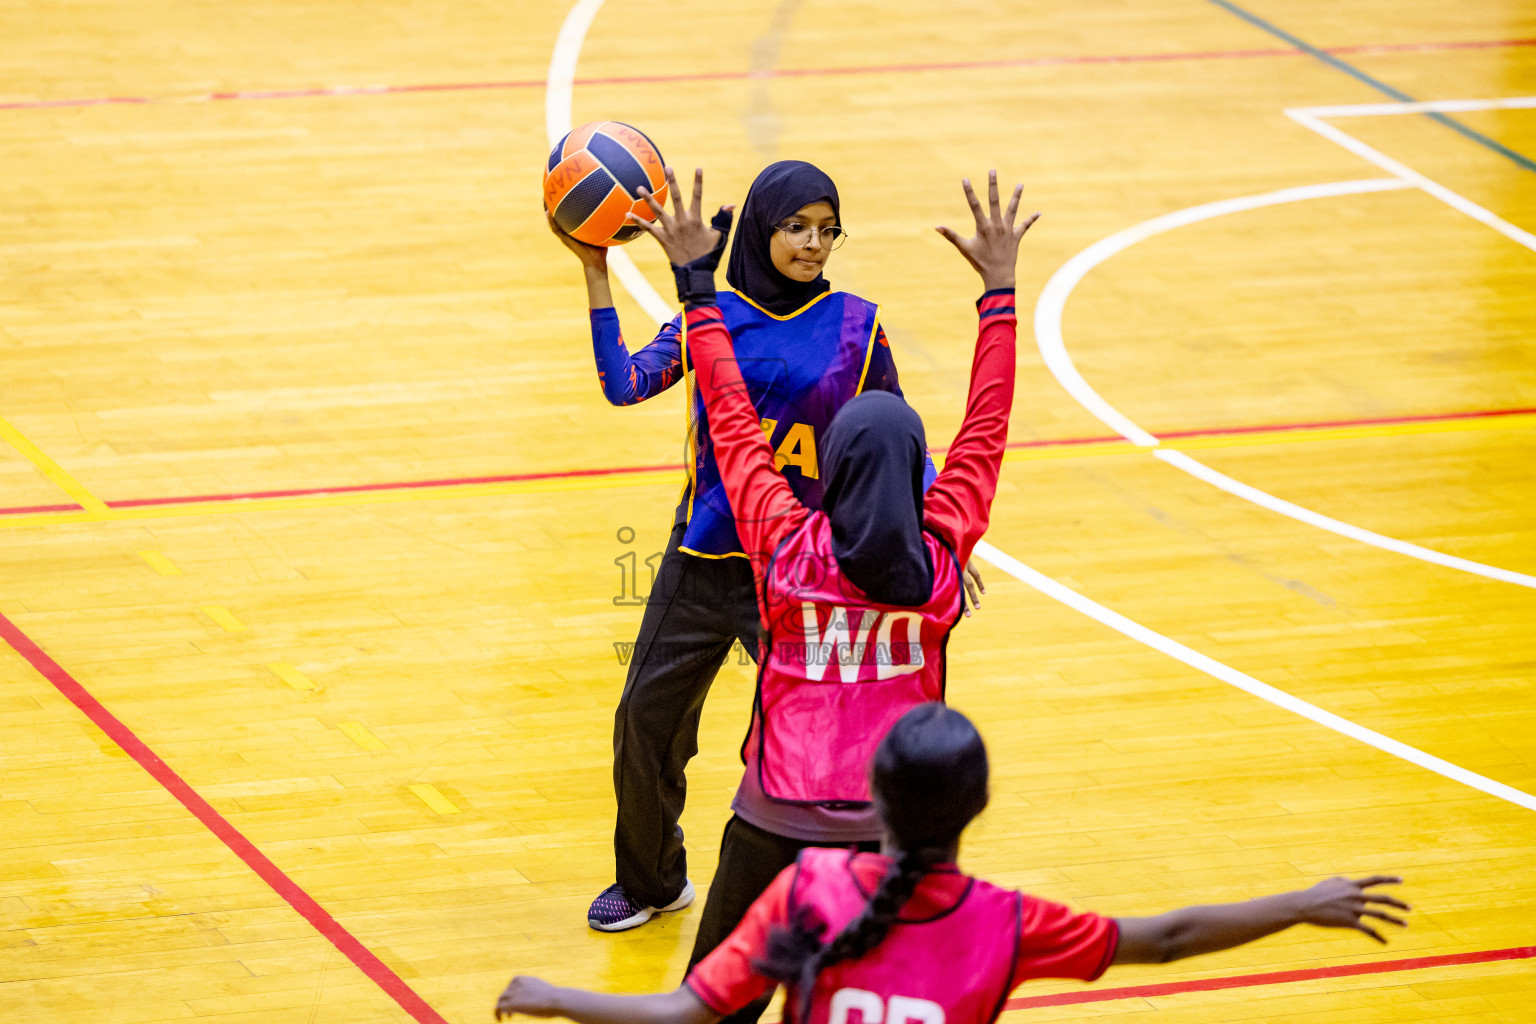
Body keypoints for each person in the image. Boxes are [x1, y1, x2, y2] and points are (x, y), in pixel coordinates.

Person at [608, 167, 1030, 1024]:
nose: (814, 242)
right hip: (881, 845)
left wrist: (698, 290)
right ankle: (650, 875)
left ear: (833, 469)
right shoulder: (941, 565)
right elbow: (984, 431)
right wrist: (1001, 295)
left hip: (773, 821)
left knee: (712, 1006)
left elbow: (731, 419)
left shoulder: (785, 557)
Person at [549, 159, 982, 932]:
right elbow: (623, 384)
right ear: (761, 228)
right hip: (704, 559)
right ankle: (653, 881)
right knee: (644, 723)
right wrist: (595, 272)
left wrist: (940, 536)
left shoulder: (858, 324)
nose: (814, 244)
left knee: (808, 746)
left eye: (827, 229)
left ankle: (831, 890)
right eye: (796, 227)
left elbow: (901, 441)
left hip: (805, 573)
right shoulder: (710, 316)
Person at [495, 704, 1410, 1024]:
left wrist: (557, 997)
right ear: (973, 810)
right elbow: (1165, 939)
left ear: (874, 802)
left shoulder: (808, 888)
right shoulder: (1006, 923)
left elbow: (685, 1011)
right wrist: (1301, 902)